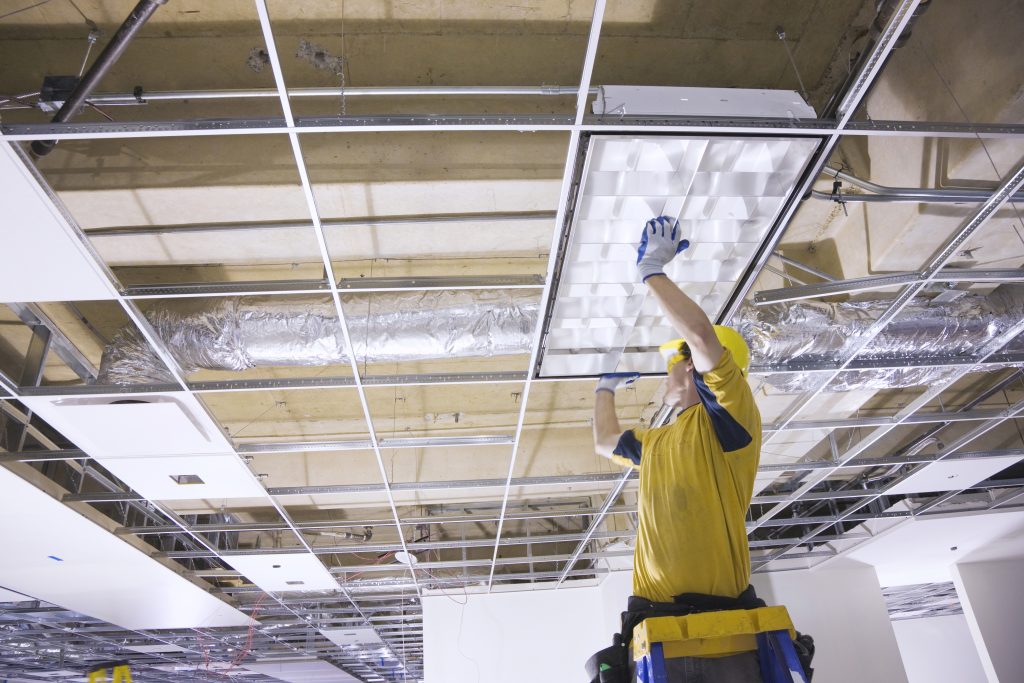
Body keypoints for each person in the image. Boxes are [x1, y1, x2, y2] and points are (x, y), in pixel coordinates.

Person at [592, 216, 764, 681]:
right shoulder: (659, 442)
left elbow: (704, 339)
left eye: (673, 362)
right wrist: (602, 391)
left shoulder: (729, 422)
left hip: (692, 632)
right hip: (692, 633)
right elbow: (606, 442)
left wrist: (653, 272)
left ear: (691, 372)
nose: (668, 371)